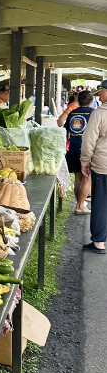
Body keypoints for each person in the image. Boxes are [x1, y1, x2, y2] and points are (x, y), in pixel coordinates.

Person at [80, 81, 107, 253]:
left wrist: (85, 161)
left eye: (101, 92)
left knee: (101, 203)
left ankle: (99, 242)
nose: (99, 96)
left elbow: (89, 140)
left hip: (103, 165)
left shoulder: (100, 113)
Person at [59, 90, 94, 214]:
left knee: (78, 176)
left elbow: (66, 129)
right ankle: (80, 206)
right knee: (87, 177)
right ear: (92, 101)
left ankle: (80, 204)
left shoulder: (72, 112)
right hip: (87, 148)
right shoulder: (94, 113)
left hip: (73, 147)